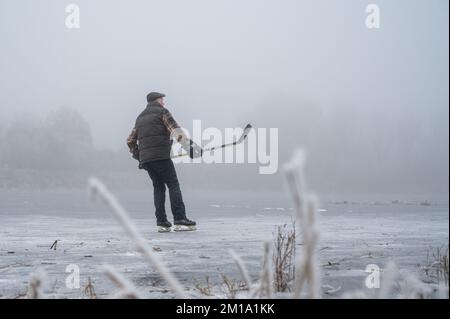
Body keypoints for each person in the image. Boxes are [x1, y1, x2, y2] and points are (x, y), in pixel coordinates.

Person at [127, 92, 196, 232]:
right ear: (157, 100)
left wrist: (139, 156)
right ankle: (180, 219)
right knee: (173, 184)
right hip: (161, 157)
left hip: (147, 160)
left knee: (158, 187)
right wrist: (189, 148)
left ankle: (162, 222)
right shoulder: (162, 112)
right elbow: (176, 131)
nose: (164, 102)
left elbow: (130, 140)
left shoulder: (140, 117)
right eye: (162, 99)